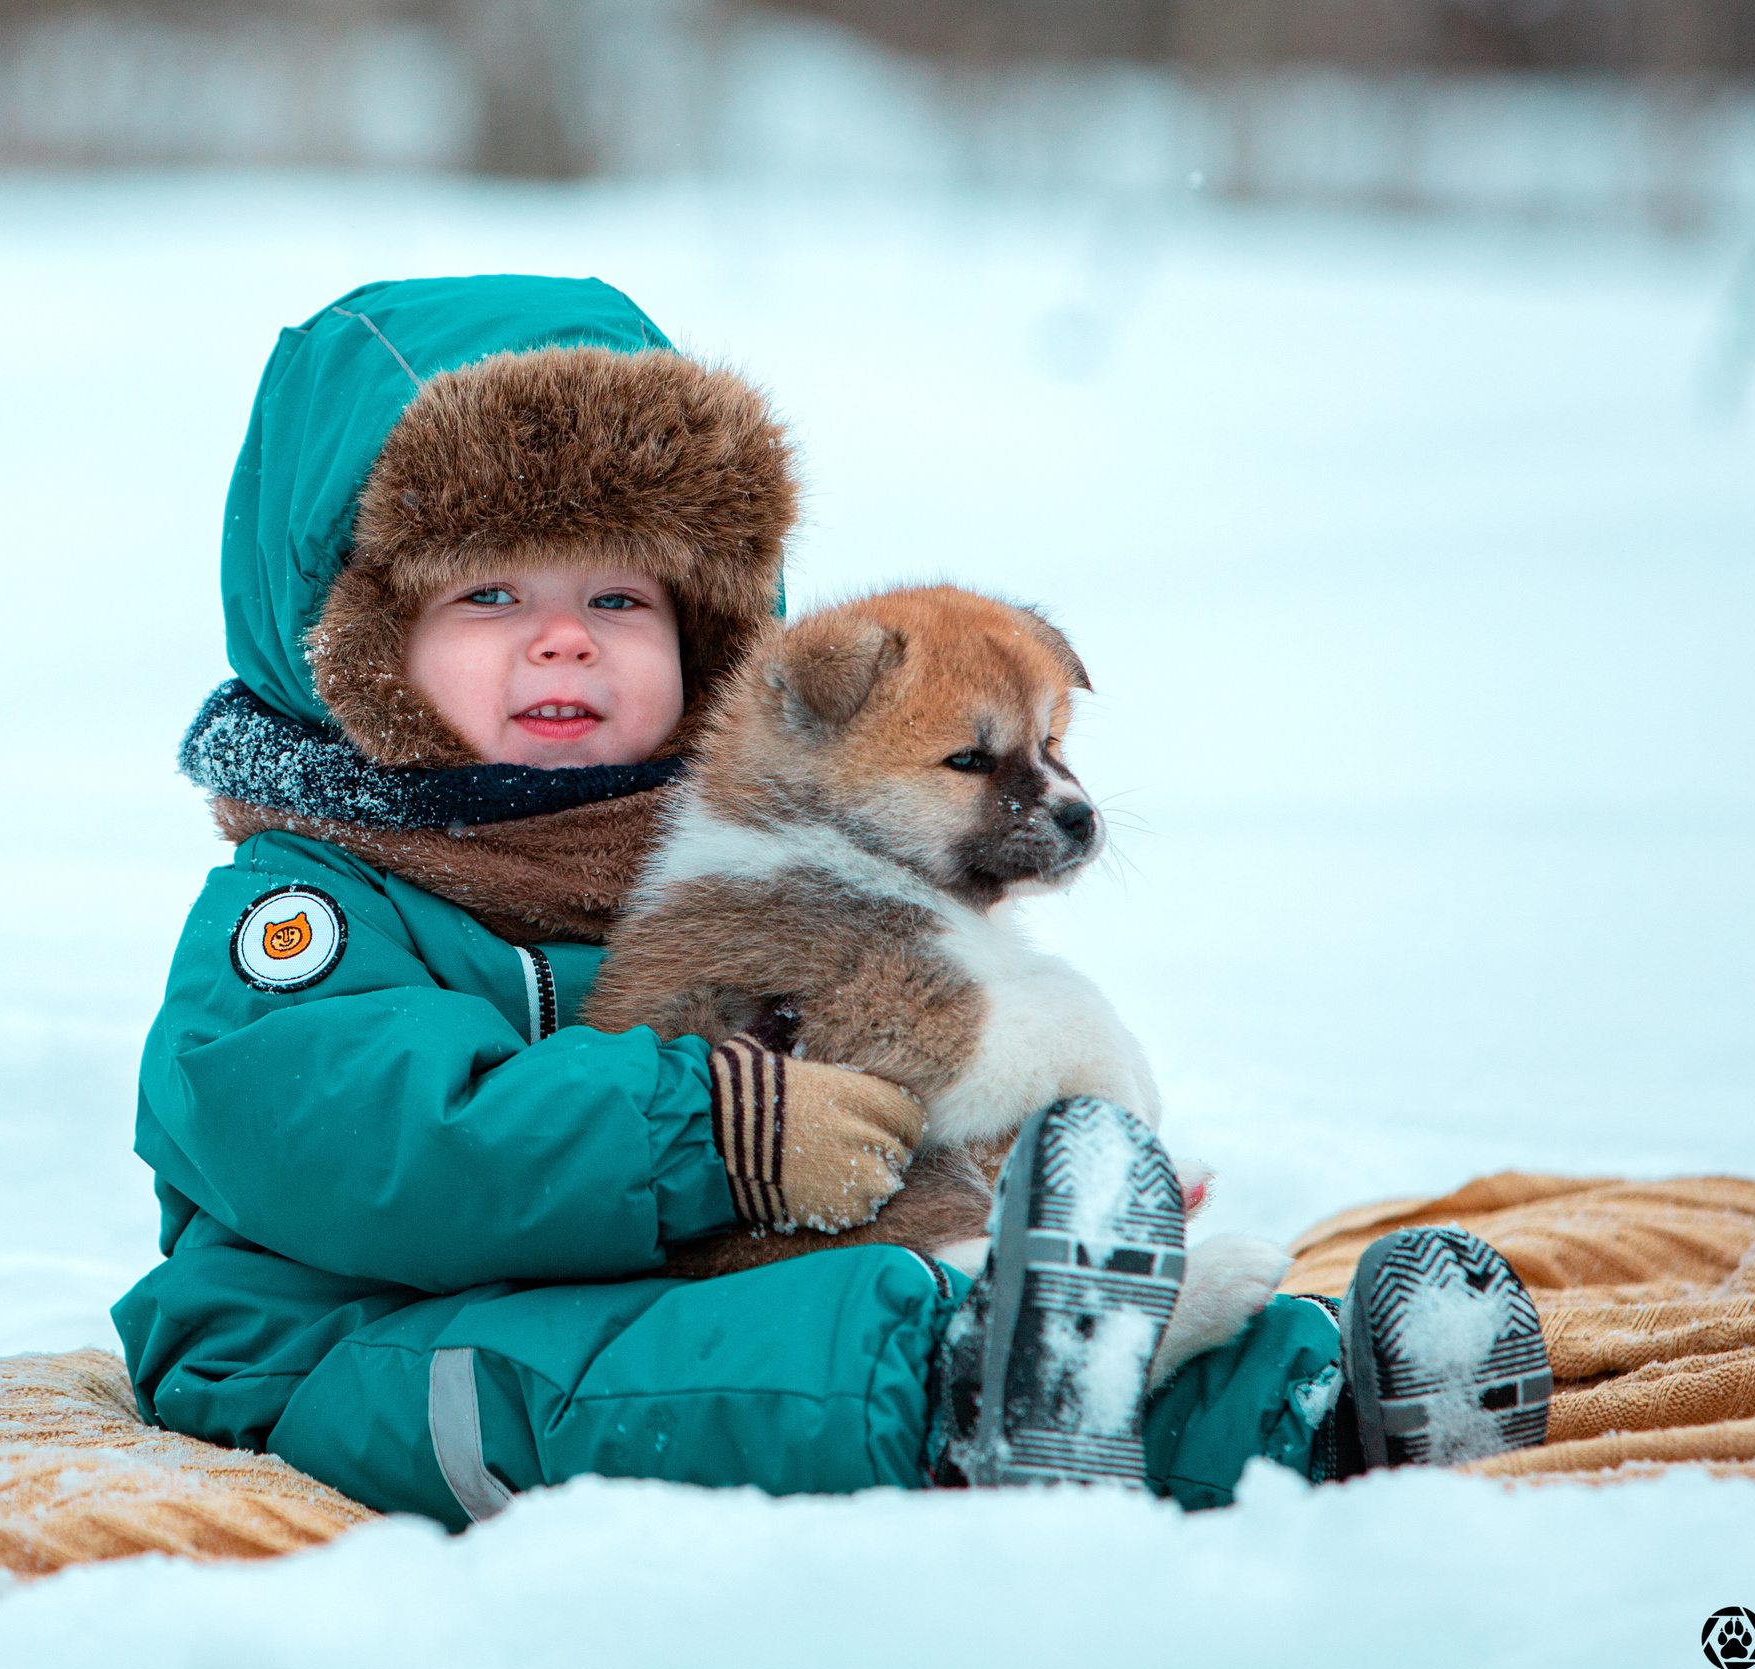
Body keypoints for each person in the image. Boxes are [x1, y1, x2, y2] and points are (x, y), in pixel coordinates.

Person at [112, 274, 1551, 1529]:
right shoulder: (307, 916)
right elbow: (381, 1154)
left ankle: (1309, 1415)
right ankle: (971, 1381)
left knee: (827, 1313)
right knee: (678, 1366)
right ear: (354, 645)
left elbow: (876, 1064)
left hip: (704, 1277)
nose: (562, 637)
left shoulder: (713, 855)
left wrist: (1019, 1163)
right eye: (488, 594)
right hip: (352, 1345)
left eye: (620, 600)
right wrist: (712, 1131)